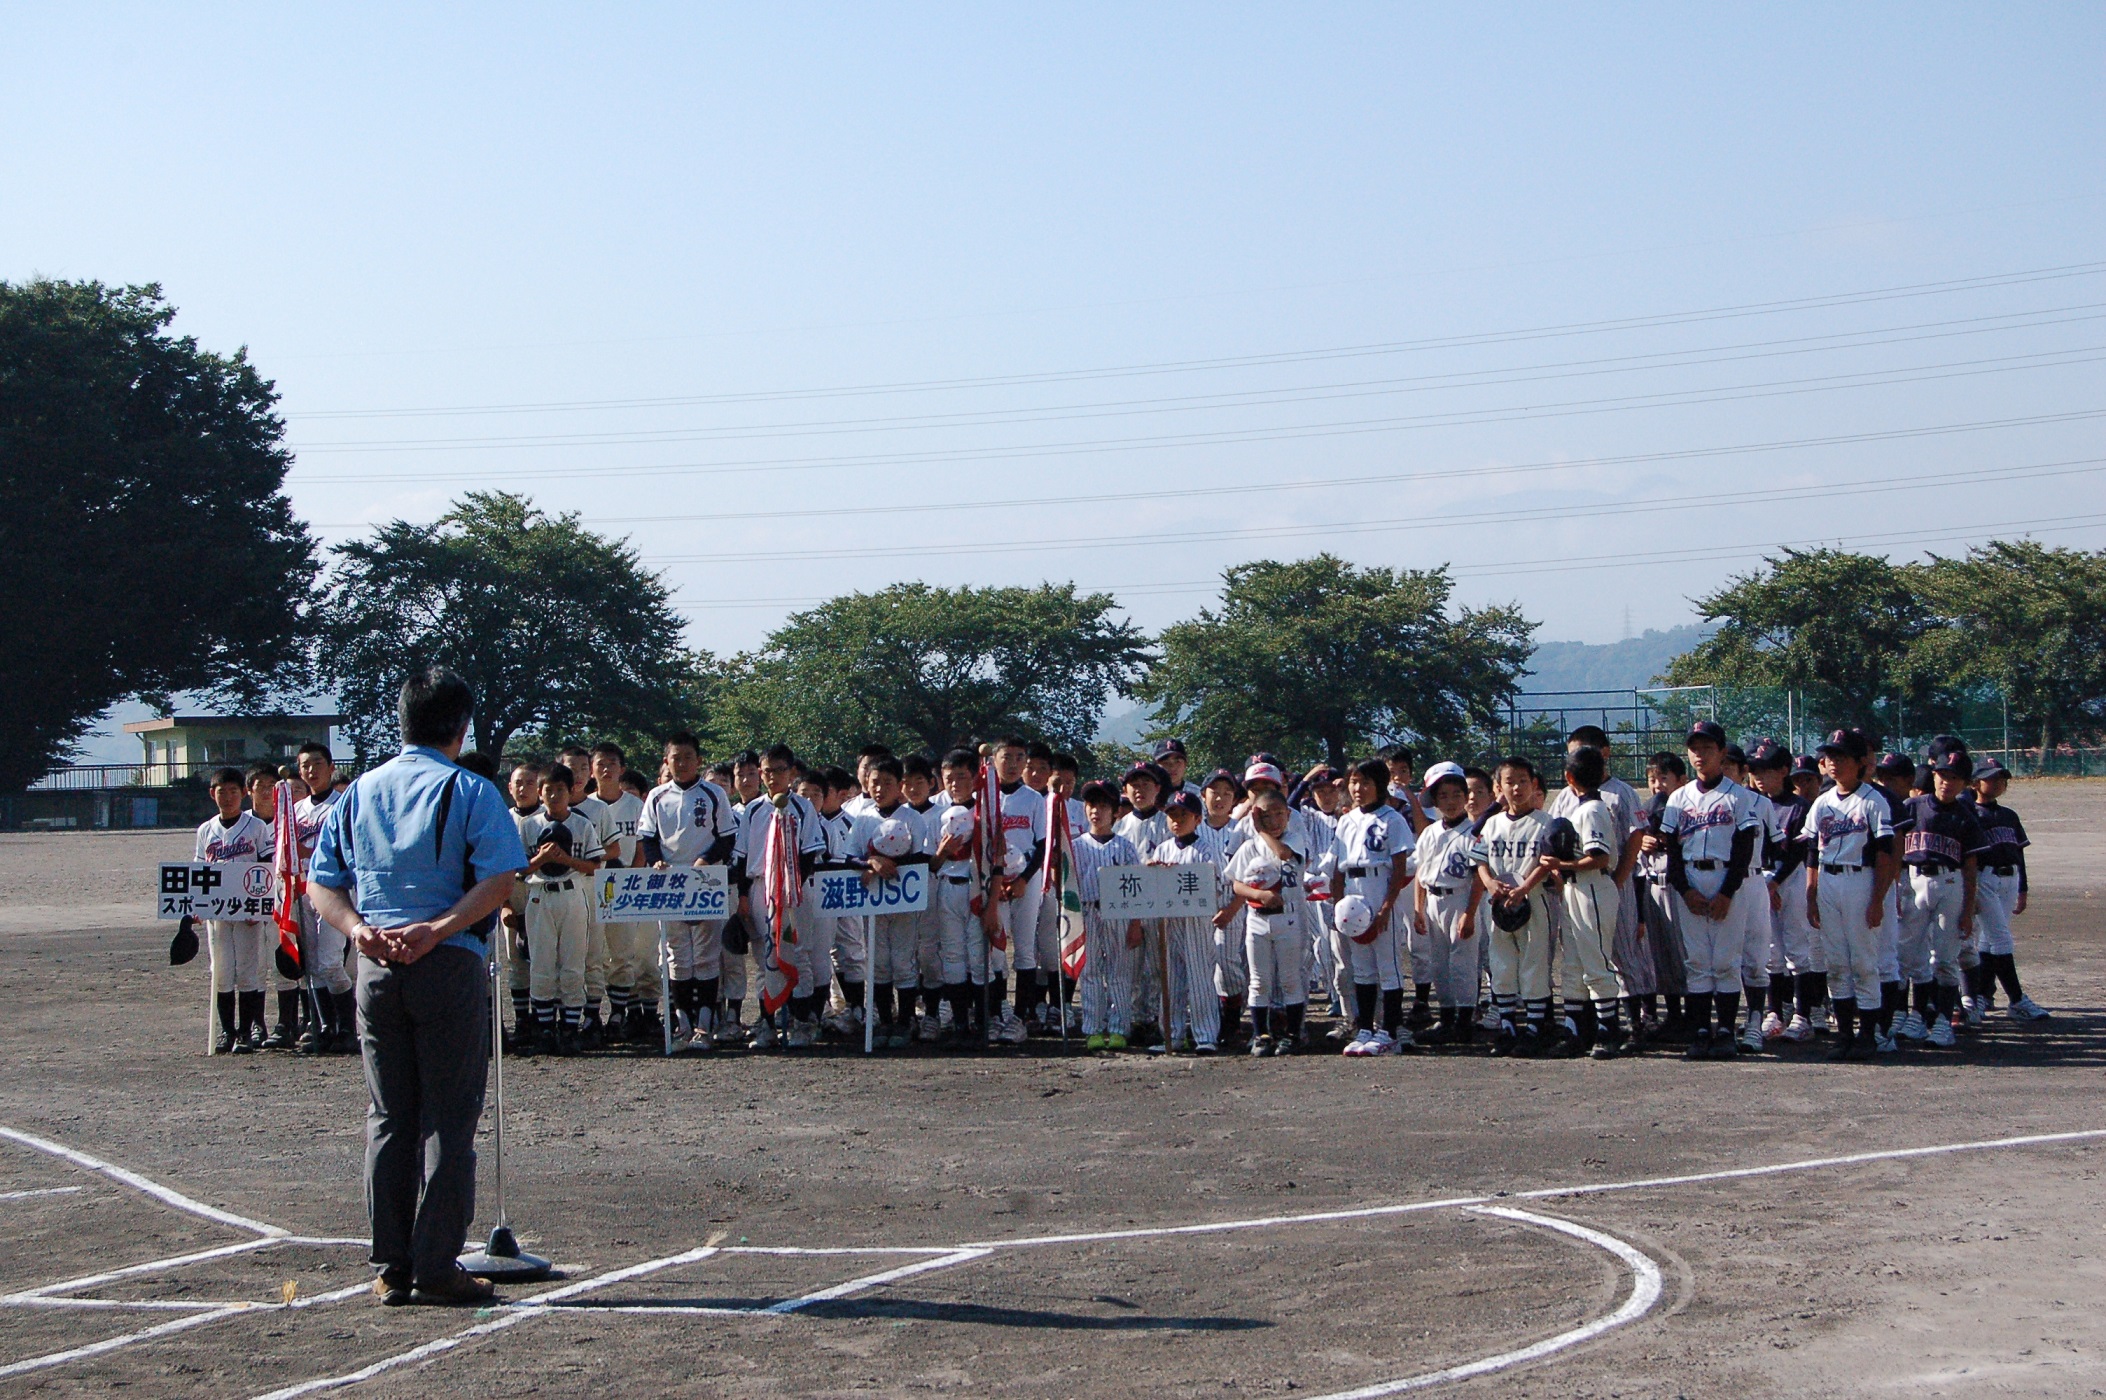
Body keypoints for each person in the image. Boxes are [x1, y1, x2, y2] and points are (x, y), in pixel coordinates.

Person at [306, 668, 527, 1307]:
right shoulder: (471, 790)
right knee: (450, 1121)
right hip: (448, 963)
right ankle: (436, 1264)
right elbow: (499, 880)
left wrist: (358, 931)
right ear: (461, 729)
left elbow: (322, 882)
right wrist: (439, 927)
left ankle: (391, 1265)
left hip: (375, 969)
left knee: (390, 1117)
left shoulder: (359, 791)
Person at [1660, 721, 1761, 1060]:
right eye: (1694, 748)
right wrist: (1684, 890)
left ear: (1720, 752)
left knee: (1726, 961)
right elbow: (1671, 849)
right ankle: (1702, 1030)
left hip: (1726, 879)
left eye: (1707, 748)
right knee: (1698, 961)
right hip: (1690, 879)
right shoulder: (1678, 797)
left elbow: (1745, 846)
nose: (1699, 755)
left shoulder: (1739, 796)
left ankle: (1727, 1032)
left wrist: (1727, 893)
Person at [637, 733, 739, 1052]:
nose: (681, 763)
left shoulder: (713, 794)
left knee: (707, 956)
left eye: (687, 757)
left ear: (698, 761)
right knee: (677, 957)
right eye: (675, 758)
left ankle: (704, 1026)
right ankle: (682, 1025)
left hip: (706, 881)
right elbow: (648, 837)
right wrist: (654, 862)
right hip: (669, 883)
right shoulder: (656, 796)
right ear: (666, 761)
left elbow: (727, 837)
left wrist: (705, 860)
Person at [1802, 728, 1896, 1062]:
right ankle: (1844, 1035)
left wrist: (1877, 899)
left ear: (1859, 763)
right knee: (1836, 963)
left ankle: (1868, 1035)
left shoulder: (1874, 801)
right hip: (1828, 881)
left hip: (1861, 879)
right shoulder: (1822, 803)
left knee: (1864, 962)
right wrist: (1810, 895)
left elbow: (1886, 853)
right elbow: (1813, 851)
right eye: (1829, 757)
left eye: (1841, 757)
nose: (1833, 763)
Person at [1895, 745, 1987, 1049]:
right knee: (1907, 956)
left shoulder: (1966, 816)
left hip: (1950, 882)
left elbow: (1970, 868)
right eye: (1943, 775)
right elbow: (1896, 852)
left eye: (1955, 778)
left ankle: (1943, 1022)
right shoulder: (1912, 806)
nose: (1947, 782)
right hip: (1914, 880)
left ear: (1964, 783)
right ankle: (1912, 1015)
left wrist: (1967, 908)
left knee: (1945, 958)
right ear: (1934, 775)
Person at [1540, 746, 1626, 1059]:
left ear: (1568, 777)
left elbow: (1599, 857)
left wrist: (1561, 866)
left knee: (1596, 963)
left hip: (1593, 887)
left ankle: (1609, 1030)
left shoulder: (1591, 810)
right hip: (1578, 889)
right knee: (1574, 965)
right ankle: (1577, 1030)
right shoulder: (1585, 807)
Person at [1471, 758, 1557, 1055]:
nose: (1516, 787)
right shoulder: (1491, 823)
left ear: (1534, 785)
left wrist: (1525, 888)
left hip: (1532, 898)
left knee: (1534, 961)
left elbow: (1547, 863)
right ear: (1499, 787)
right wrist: (1490, 883)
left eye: (1522, 781)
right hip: (1498, 901)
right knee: (1501, 962)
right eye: (1509, 782)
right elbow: (1479, 861)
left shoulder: (1544, 822)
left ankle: (1535, 1026)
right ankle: (1507, 1025)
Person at [1331, 758, 1415, 1055]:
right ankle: (1365, 1028)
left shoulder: (1392, 818)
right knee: (1362, 968)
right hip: (1353, 894)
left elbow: (1400, 866)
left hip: (1379, 886)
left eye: (1365, 782)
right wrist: (1337, 905)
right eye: (1354, 781)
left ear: (1379, 786)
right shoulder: (1345, 820)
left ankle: (1390, 1031)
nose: (1358, 788)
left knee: (1388, 967)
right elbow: (1337, 869)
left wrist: (1386, 908)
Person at [518, 763, 604, 1055]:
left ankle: (569, 1028)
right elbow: (517, 871)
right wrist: (542, 858)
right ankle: (544, 1029)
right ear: (540, 794)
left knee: (573, 964)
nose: (554, 796)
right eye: (548, 790)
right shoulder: (529, 826)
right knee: (541, 965)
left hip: (572, 893)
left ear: (571, 791)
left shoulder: (582, 824)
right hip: (539, 894)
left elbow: (594, 866)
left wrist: (565, 859)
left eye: (560, 790)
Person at [1223, 790, 1314, 1055]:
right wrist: (1259, 894)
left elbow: (1284, 854)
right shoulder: (1249, 846)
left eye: (1278, 814)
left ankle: (1293, 1034)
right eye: (1265, 815)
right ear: (1255, 816)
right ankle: (1261, 1034)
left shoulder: (1294, 838)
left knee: (1289, 979)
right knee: (1259, 981)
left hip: (1289, 917)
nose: (1273, 820)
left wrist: (1260, 830)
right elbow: (1237, 883)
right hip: (1257, 919)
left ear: (1288, 815)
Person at [197, 766, 273, 1054]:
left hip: (248, 910)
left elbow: (266, 867)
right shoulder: (206, 830)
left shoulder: (255, 828)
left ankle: (245, 1033)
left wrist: (262, 904)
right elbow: (198, 869)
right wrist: (195, 906)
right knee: (221, 970)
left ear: (243, 793)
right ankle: (226, 1032)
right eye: (221, 792)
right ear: (212, 794)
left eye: (232, 791)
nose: (226, 797)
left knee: (248, 971)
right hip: (217, 910)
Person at [1966, 758, 2049, 1021]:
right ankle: (2017, 999)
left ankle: (1980, 997)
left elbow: (2018, 854)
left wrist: (2023, 888)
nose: (1998, 782)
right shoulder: (1970, 815)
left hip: (2009, 879)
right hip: (1984, 880)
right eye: (1991, 778)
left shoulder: (2009, 815)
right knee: (2000, 939)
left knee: (1989, 940)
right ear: (1975, 783)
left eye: (2001, 778)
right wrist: (1972, 891)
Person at [1146, 791, 1224, 1054]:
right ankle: (1172, 1035)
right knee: (1170, 979)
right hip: (1169, 921)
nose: (1176, 820)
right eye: (1172, 815)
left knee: (1200, 977)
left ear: (1198, 818)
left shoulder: (1206, 848)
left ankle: (1206, 1036)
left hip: (1197, 921)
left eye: (1183, 814)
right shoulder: (1162, 848)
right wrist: (1153, 871)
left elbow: (1217, 884)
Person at [291, 742, 357, 1054]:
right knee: (314, 964)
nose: (311, 770)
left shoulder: (343, 804)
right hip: (303, 892)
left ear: (331, 767)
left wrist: (311, 853)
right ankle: (324, 1026)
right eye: (305, 765)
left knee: (331, 961)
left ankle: (347, 1027)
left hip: (335, 890)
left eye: (317, 763)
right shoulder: (295, 811)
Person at [1410, 763, 1479, 1047]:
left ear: (1466, 797)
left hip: (1461, 899)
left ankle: (1464, 1020)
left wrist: (1470, 913)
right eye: (1443, 796)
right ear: (1435, 801)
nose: (1449, 802)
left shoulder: (1474, 831)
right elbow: (1420, 873)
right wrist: (1418, 908)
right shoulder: (1429, 832)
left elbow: (1479, 878)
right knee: (1439, 964)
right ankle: (1446, 1017)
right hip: (1434, 901)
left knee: (1462, 962)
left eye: (1455, 795)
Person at [1072, 782, 1144, 1051]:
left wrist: (1135, 924)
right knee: (1090, 972)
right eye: (1092, 805)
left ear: (1115, 812)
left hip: (1120, 912)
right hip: (1087, 910)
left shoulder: (1125, 847)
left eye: (1103, 806)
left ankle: (1118, 1027)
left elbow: (1136, 889)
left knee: (1120, 972)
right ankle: (1092, 1028)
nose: (1096, 811)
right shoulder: (1075, 845)